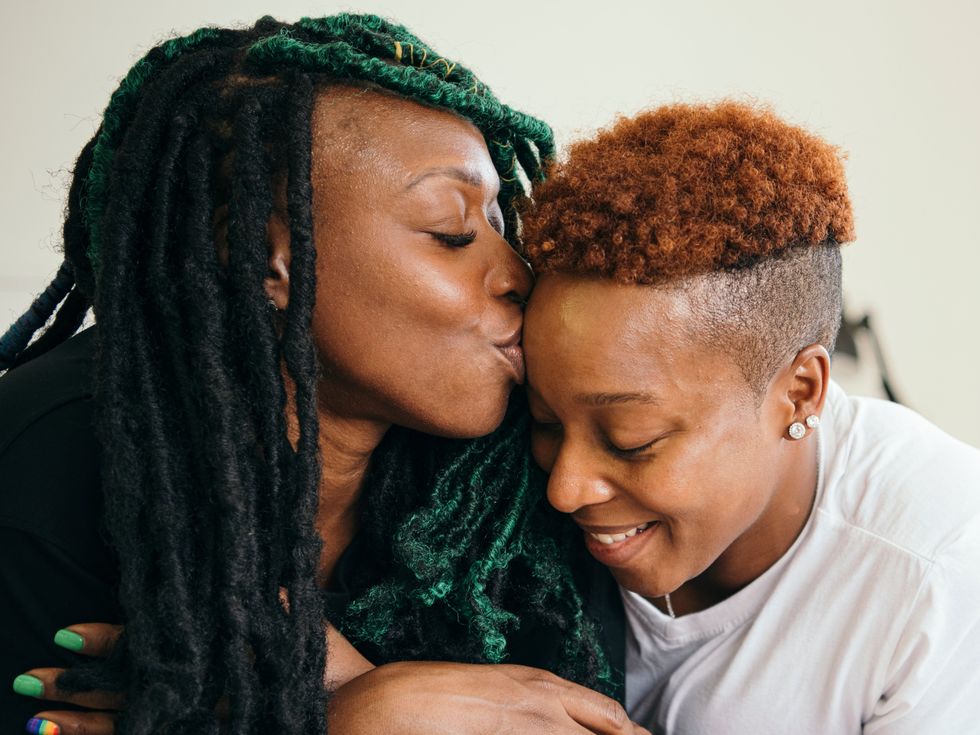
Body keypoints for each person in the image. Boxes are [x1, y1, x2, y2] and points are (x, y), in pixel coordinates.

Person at [0, 15, 636, 735]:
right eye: (453, 233)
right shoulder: (51, 461)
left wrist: (357, 703)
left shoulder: (511, 482)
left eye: (500, 224)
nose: (517, 273)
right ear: (262, 256)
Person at [519, 100, 980, 733]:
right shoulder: (487, 498)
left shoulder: (940, 567)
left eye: (631, 440)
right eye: (545, 421)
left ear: (800, 394)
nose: (565, 489)